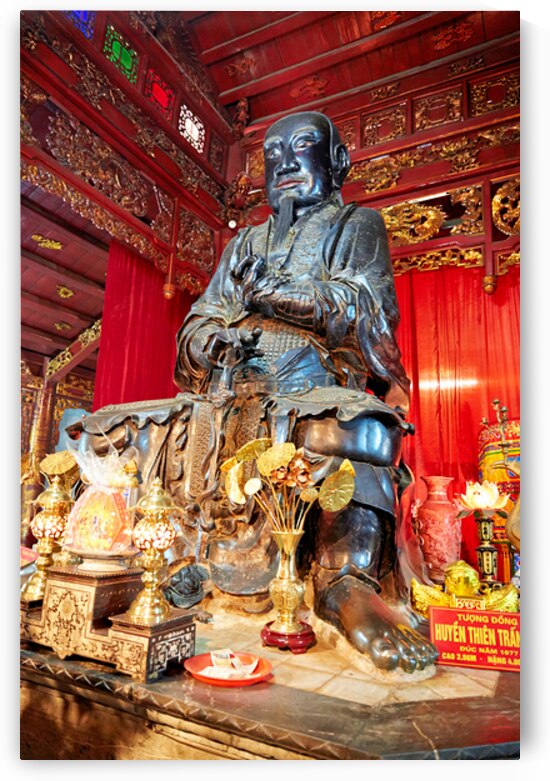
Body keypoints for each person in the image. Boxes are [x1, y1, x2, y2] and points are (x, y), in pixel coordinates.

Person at [173, 111, 437, 673]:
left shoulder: (356, 225)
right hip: (233, 395)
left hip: (314, 390)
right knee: (134, 426)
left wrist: (276, 295)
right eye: (272, 155)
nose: (285, 163)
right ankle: (179, 557)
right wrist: (209, 340)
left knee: (362, 432)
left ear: (337, 161)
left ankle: (344, 579)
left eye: (303, 146)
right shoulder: (245, 242)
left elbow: (367, 309)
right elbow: (202, 315)